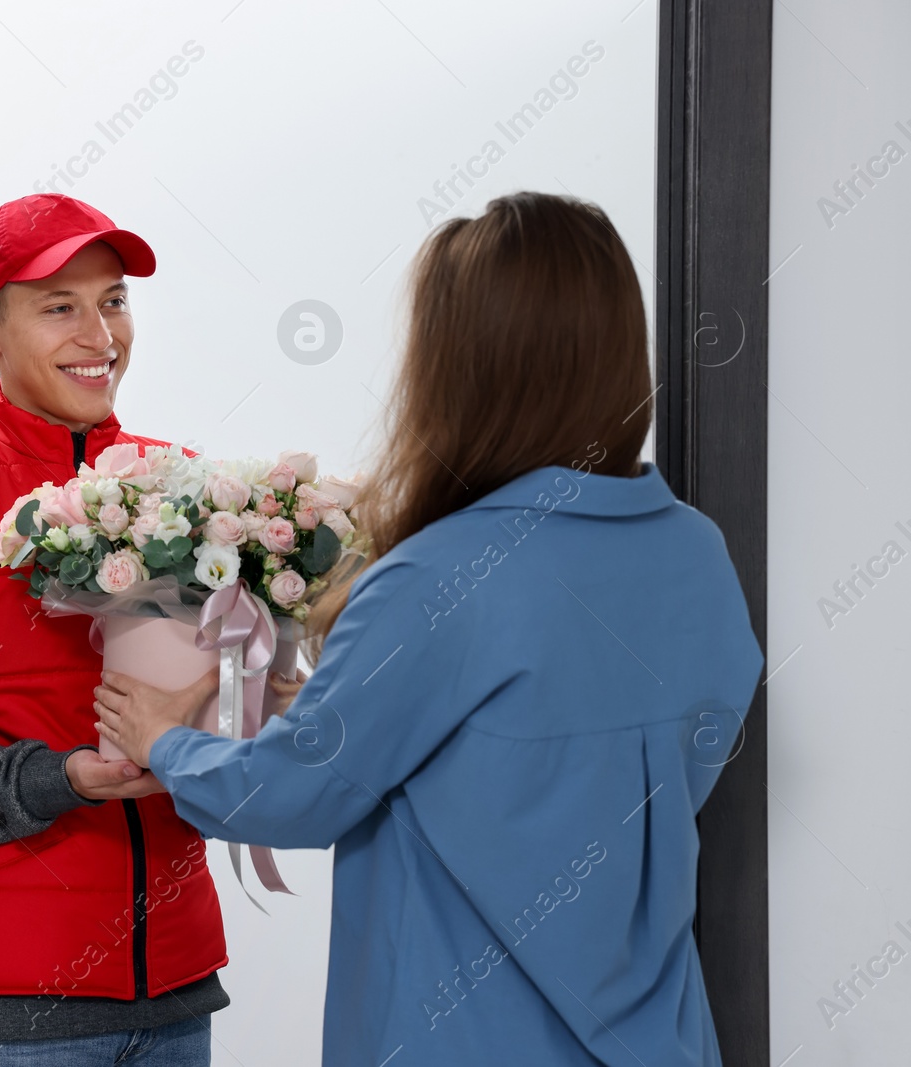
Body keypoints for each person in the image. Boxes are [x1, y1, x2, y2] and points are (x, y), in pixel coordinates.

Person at [93, 192, 764, 1066]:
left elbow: (292, 795)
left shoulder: (442, 576)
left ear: (462, 368)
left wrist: (167, 742)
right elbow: (622, 771)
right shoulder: (696, 554)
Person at [0, 193, 231, 1066]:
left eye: (113, 300)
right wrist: (64, 779)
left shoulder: (187, 486)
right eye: (59, 306)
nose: (99, 334)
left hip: (176, 993)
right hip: (3, 1003)